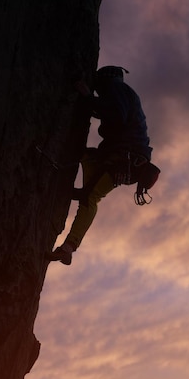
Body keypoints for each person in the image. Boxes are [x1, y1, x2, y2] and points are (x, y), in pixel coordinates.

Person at [47, 66, 153, 266]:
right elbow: (113, 114)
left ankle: (69, 246)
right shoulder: (125, 93)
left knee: (90, 196)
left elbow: (115, 115)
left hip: (124, 159)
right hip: (125, 159)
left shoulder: (116, 88)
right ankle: (69, 244)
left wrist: (87, 97)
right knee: (84, 165)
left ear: (105, 79)